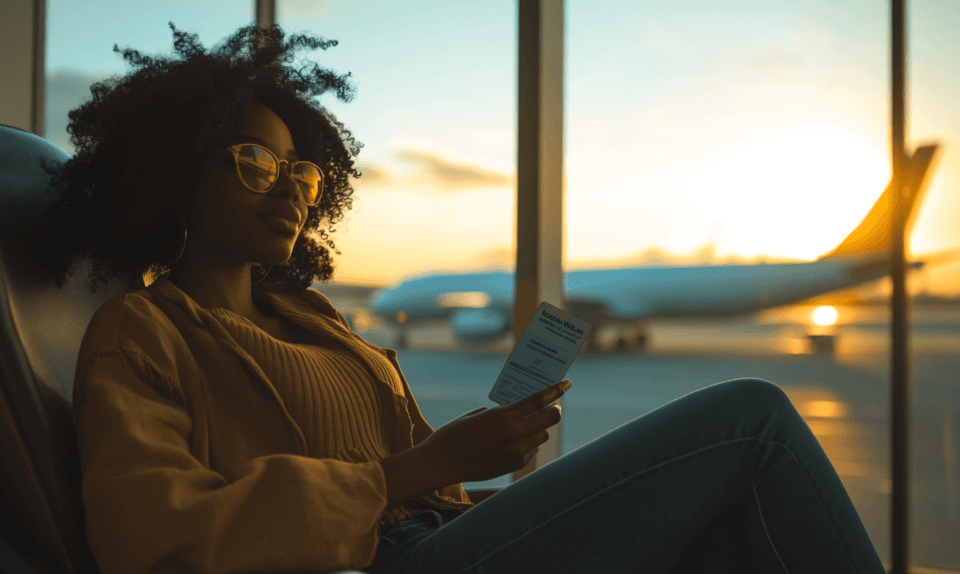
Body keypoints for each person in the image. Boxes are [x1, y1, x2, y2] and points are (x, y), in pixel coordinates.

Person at [19, 22, 888, 574]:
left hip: (433, 537)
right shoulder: (143, 333)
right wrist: (431, 467)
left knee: (724, 536)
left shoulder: (313, 320)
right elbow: (147, 539)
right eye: (253, 162)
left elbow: (419, 482)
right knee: (749, 421)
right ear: (175, 177)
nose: (288, 188)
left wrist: (484, 458)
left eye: (304, 170)